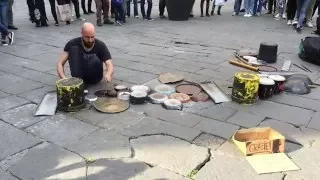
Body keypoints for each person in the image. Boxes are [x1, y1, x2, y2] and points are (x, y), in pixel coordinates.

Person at [57, 23, 114, 89]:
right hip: (78, 78)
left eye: (92, 37)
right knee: (73, 48)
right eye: (87, 37)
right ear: (82, 33)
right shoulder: (72, 43)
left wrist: (108, 74)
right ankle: (78, 80)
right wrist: (63, 78)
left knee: (94, 58)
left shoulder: (100, 45)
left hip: (95, 78)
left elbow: (109, 64)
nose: (90, 40)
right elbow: (60, 63)